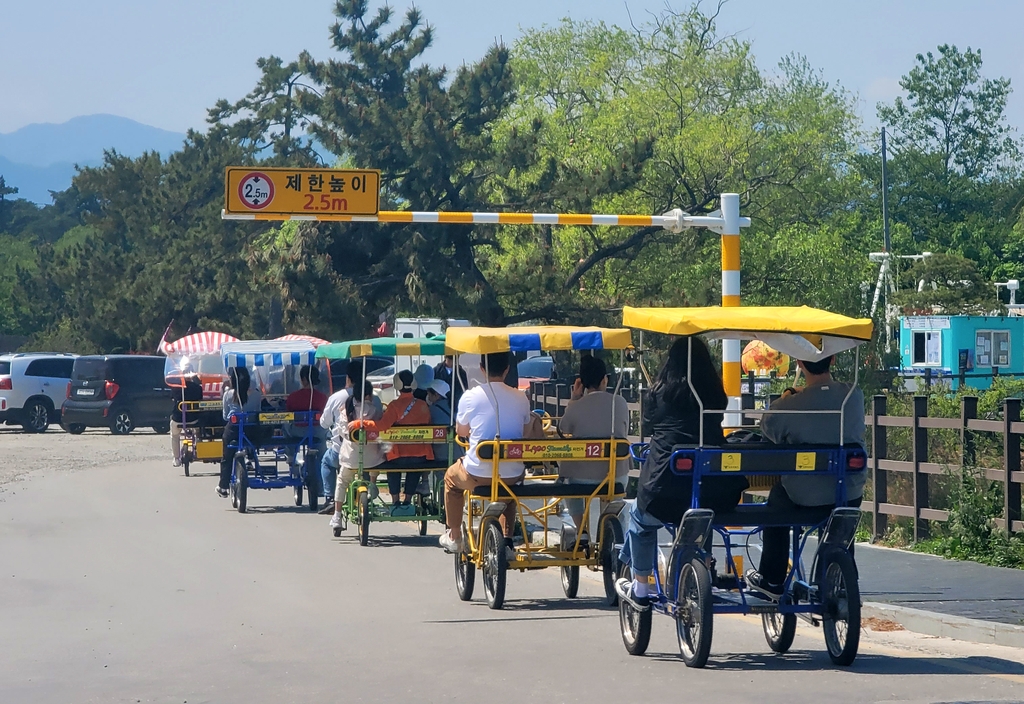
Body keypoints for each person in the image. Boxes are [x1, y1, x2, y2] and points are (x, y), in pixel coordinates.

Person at [615, 337, 747, 609]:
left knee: (640, 521)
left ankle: (640, 586)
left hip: (665, 488)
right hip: (714, 489)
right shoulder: (715, 395)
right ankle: (702, 568)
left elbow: (651, 426)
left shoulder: (658, 394)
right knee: (701, 513)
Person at [745, 354, 866, 598]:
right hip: (848, 491)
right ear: (831, 360)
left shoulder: (787, 406)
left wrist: (788, 397)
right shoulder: (854, 396)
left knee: (776, 503)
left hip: (804, 496)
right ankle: (839, 580)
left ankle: (773, 579)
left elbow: (768, 429)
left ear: (800, 364)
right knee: (840, 520)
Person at [438, 351, 533, 555]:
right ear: (507, 369)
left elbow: (462, 431)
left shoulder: (470, 396)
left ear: (482, 368)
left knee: (450, 480)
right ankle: (506, 540)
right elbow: (525, 431)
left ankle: (454, 534)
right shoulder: (520, 397)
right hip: (512, 474)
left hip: (478, 473)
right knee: (508, 486)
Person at [556, 355, 630, 533]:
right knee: (614, 495)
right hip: (615, 475)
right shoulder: (620, 403)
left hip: (581, 479)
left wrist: (573, 399)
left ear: (581, 382)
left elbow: (563, 428)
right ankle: (611, 529)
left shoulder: (577, 406)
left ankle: (582, 530)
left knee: (568, 485)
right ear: (605, 379)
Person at [349, 369, 433, 511]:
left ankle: (395, 501)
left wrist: (360, 423)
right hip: (420, 455)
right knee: (414, 469)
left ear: (397, 385)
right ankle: (407, 500)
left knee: (392, 464)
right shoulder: (423, 405)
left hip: (398, 456)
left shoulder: (394, 406)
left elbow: (381, 426)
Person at [328, 379, 385, 532]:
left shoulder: (346, 409)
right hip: (372, 458)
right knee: (378, 459)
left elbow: (342, 431)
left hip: (351, 457)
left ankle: (337, 516)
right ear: (369, 395)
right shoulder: (375, 410)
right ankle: (372, 484)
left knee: (342, 481)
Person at [217, 366, 264, 498]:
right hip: (252, 432)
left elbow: (225, 416)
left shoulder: (228, 395)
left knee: (226, 456)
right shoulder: (256, 393)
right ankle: (250, 457)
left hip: (234, 430)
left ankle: (223, 485)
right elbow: (258, 411)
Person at [284, 365, 328, 487]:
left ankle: (291, 454)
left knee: (285, 425)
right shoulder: (323, 397)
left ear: (303, 379)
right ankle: (322, 460)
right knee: (323, 439)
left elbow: (288, 413)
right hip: (317, 431)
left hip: (298, 431)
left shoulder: (293, 397)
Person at [170, 361, 204, 467]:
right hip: (194, 419)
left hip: (178, 419)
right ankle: (199, 446)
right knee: (198, 431)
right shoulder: (197, 388)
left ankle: (176, 458)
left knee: (174, 435)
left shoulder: (176, 388)